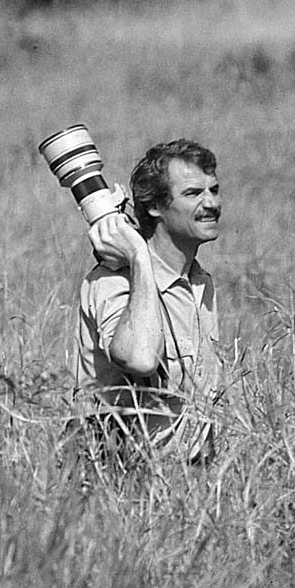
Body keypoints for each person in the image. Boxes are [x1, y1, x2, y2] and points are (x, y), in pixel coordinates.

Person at [75, 138, 225, 462]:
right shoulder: (113, 280)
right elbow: (140, 358)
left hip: (181, 490)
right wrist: (139, 257)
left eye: (213, 190)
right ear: (155, 206)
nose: (211, 203)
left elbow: (202, 405)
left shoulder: (200, 283)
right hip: (118, 487)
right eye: (193, 193)